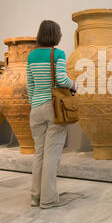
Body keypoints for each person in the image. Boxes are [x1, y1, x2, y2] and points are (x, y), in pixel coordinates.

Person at [26, 20, 78, 209]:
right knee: (52, 155)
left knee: (39, 153)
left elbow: (30, 85)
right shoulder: (58, 54)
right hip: (54, 109)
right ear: (55, 35)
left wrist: (34, 105)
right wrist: (75, 85)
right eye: (60, 32)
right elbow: (62, 79)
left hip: (36, 109)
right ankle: (48, 199)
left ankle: (35, 196)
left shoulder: (31, 56)